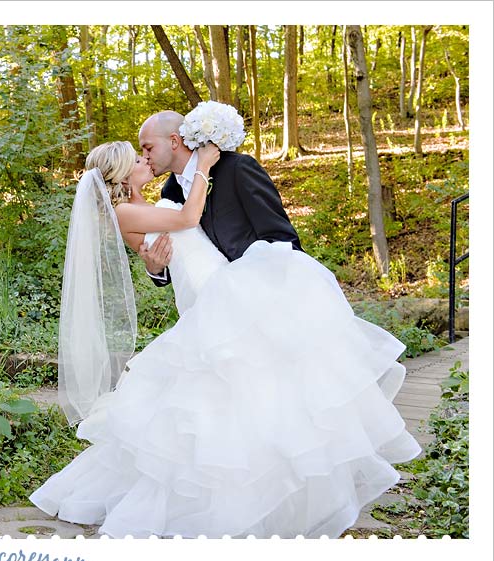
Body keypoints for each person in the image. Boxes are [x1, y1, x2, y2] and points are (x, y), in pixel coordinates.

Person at [29, 138, 421, 539]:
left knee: (257, 385)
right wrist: (204, 165)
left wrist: (153, 260)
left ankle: (277, 484)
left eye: (147, 152)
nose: (146, 160)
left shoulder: (151, 200)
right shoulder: (127, 208)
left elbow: (168, 246)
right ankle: (234, 495)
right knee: (229, 388)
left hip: (220, 285)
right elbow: (186, 220)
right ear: (122, 173)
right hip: (213, 293)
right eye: (139, 158)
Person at [136, 110, 302, 287]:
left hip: (267, 285)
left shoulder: (236, 169)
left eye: (149, 148)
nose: (144, 156)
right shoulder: (170, 193)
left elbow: (282, 236)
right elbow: (186, 257)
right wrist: (156, 270)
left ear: (174, 141)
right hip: (217, 301)